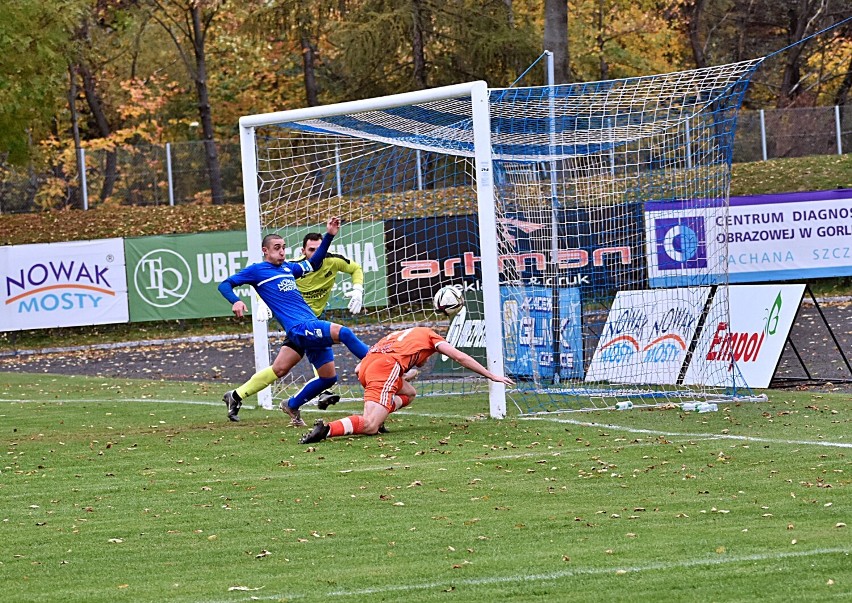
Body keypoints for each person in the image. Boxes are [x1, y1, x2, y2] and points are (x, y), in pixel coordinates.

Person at [217, 217, 370, 425]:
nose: (282, 251)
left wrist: (330, 236)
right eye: (277, 248)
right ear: (265, 251)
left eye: (284, 247)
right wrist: (235, 301)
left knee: (325, 378)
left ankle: (283, 403)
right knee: (344, 333)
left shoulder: (289, 268)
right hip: (300, 327)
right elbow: (225, 284)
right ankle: (379, 362)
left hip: (305, 326)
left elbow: (314, 263)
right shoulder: (257, 270)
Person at [299, 326, 515, 444]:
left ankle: (379, 417)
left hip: (368, 367)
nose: (427, 359)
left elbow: (359, 370)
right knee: (370, 426)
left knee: (409, 393)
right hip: (385, 368)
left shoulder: (397, 336)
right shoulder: (431, 336)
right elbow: (460, 357)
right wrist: (490, 375)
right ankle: (326, 430)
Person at [293, 232, 365, 411]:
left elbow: (355, 268)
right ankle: (384, 364)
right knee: (345, 333)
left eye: (320, 249)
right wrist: (262, 303)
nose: (317, 254)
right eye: (311, 250)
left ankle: (290, 404)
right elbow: (266, 281)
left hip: (315, 321)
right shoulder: (295, 268)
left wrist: (358, 289)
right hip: (298, 324)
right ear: (303, 251)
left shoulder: (332, 260)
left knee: (326, 377)